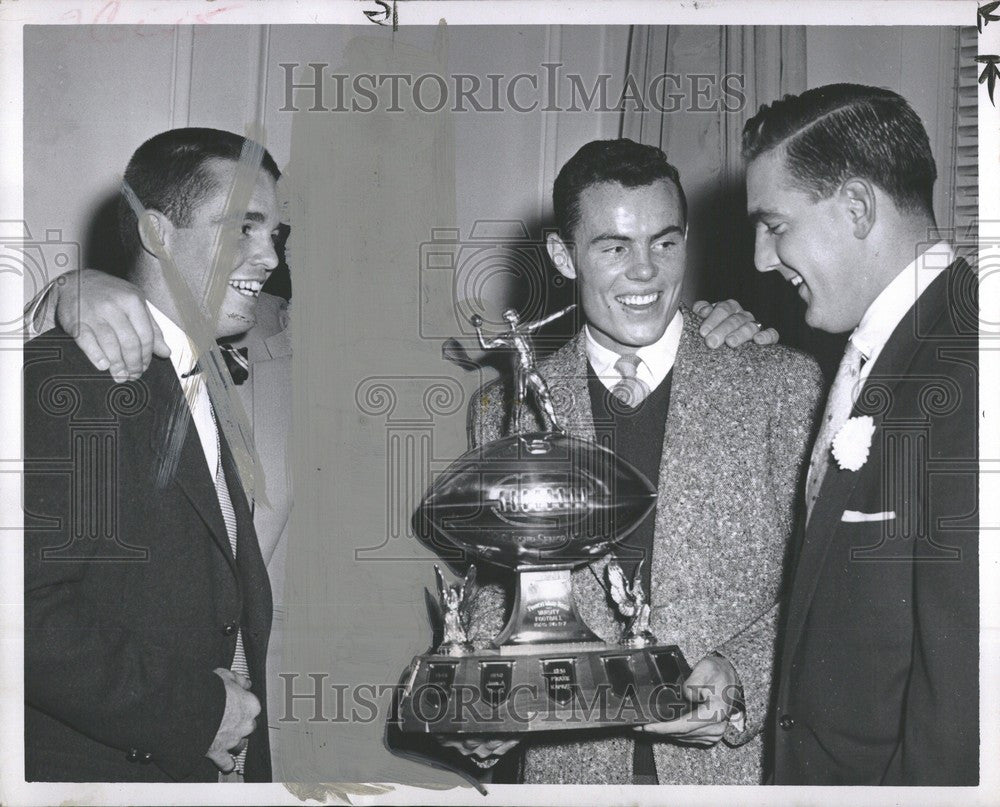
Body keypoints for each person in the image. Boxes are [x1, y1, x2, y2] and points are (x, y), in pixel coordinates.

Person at [447, 138, 823, 785]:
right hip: (572, 776)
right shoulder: (506, 409)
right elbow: (496, 588)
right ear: (565, 256)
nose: (646, 272)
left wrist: (742, 679)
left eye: (665, 242)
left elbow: (822, 591)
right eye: (616, 248)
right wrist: (481, 706)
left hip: (734, 774)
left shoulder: (781, 384)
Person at [23, 127, 283, 782]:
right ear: (158, 235)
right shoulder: (76, 371)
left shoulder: (203, 379)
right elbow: (18, 610)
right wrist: (198, 712)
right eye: (243, 229)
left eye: (275, 234)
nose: (270, 256)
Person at [742, 84, 978, 785]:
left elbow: (963, 698)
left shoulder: (965, 369)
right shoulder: (889, 348)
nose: (760, 258)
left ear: (855, 207)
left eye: (775, 225)